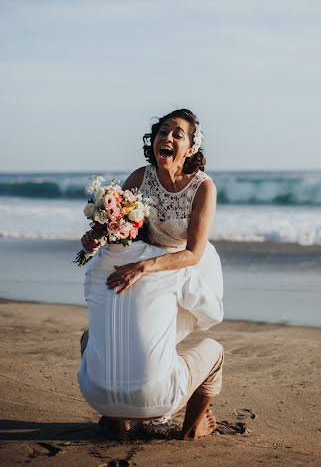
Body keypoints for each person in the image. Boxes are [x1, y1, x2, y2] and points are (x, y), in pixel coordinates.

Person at [79, 108, 224, 437]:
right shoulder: (139, 178)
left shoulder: (203, 187)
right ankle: (148, 416)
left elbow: (194, 252)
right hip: (140, 267)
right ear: (154, 140)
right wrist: (97, 237)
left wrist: (143, 267)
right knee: (119, 334)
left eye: (178, 134)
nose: (168, 138)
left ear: (190, 148)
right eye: (163, 131)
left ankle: (132, 410)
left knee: (161, 336)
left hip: (175, 265)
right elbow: (120, 232)